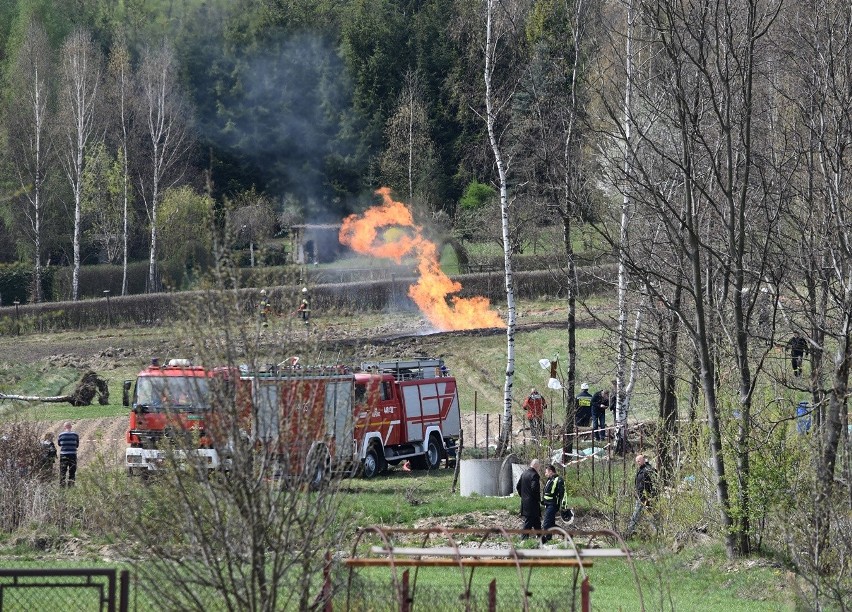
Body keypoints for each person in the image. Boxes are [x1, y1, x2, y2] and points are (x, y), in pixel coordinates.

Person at [625, 454, 657, 537]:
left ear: (643, 460)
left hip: (646, 498)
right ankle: (656, 531)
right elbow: (639, 484)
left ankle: (628, 532)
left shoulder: (649, 470)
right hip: (641, 497)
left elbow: (654, 484)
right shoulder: (642, 470)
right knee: (648, 516)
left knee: (640, 516)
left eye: (639, 461)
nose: (638, 463)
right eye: (637, 461)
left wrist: (650, 497)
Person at [516, 458, 542, 539]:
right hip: (532, 503)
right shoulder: (534, 475)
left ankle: (542, 539)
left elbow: (518, 486)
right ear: (536, 466)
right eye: (539, 467)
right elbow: (534, 489)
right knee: (528, 522)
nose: (539, 469)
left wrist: (523, 496)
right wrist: (538, 499)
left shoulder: (524, 474)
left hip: (525, 502)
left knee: (536, 521)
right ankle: (523, 539)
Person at [541, 464, 564, 543]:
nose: (545, 474)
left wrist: (563, 506)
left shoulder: (559, 480)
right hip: (547, 504)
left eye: (546, 472)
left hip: (553, 505)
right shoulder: (549, 480)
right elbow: (546, 493)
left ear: (551, 471)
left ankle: (546, 540)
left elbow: (563, 494)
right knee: (551, 524)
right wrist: (543, 501)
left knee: (546, 523)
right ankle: (566, 535)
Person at [57, 421, 79, 487]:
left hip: (63, 455)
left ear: (64, 427)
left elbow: (59, 444)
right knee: (72, 471)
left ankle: (62, 486)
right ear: (71, 427)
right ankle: (71, 486)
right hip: (73, 455)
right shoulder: (75, 435)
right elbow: (77, 445)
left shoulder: (61, 435)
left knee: (63, 471)